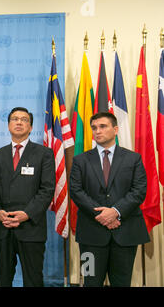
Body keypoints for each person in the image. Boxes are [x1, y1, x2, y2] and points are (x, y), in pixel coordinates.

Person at [69, 112, 149, 287]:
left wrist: (115, 212)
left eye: (103, 126)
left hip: (125, 233)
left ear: (115, 129)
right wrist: (102, 215)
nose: (97, 131)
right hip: (90, 234)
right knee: (90, 282)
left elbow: (139, 190)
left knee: (122, 283)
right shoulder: (80, 160)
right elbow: (76, 191)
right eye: (94, 128)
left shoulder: (133, 158)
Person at [0, 107, 55, 287]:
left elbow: (47, 189)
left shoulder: (44, 154)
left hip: (31, 227)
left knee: (33, 279)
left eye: (24, 119)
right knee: (3, 278)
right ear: (8, 125)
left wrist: (27, 213)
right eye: (15, 119)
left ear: (30, 127)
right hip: (3, 226)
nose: (19, 122)